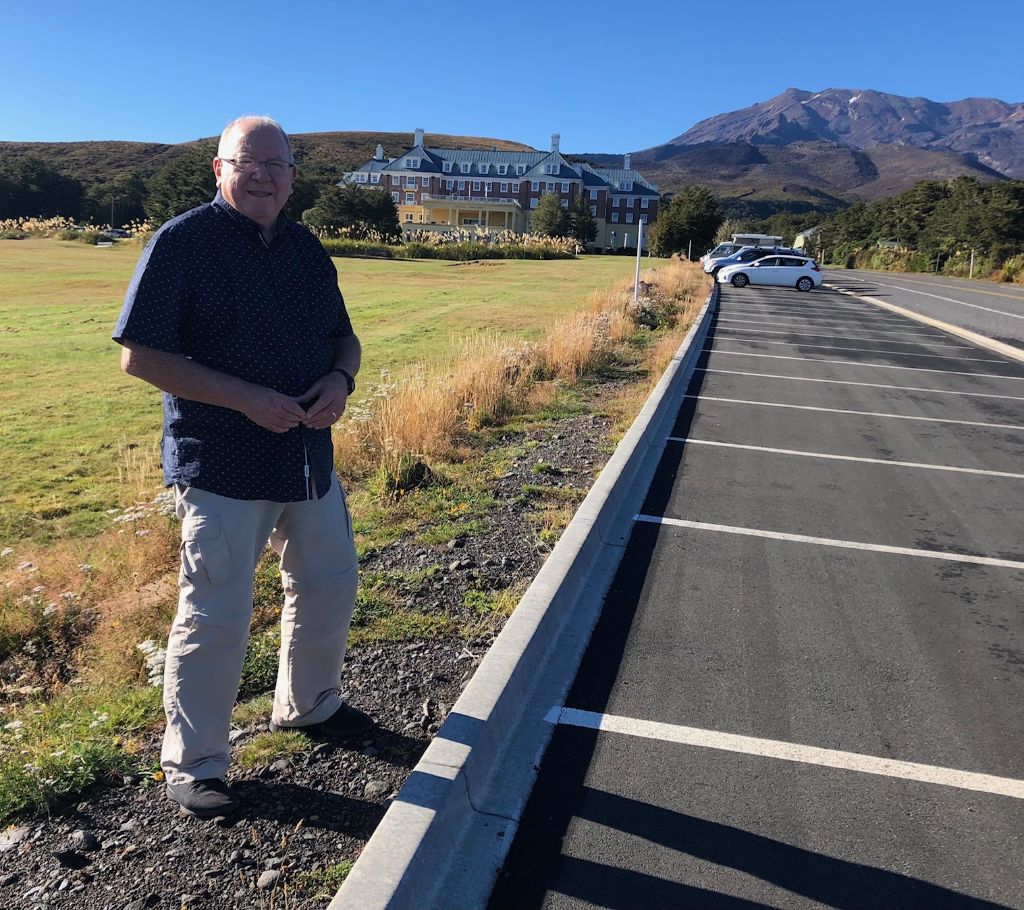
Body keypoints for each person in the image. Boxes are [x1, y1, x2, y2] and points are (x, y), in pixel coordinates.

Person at [113, 115, 369, 818]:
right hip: (223, 460)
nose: (262, 175)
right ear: (219, 170)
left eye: (276, 165)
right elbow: (140, 355)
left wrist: (340, 384)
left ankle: (309, 706)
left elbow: (344, 341)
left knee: (329, 583)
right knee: (216, 613)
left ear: (292, 176)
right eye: (247, 162)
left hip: (308, 455)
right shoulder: (183, 244)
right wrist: (246, 399)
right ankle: (195, 764)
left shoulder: (307, 250)